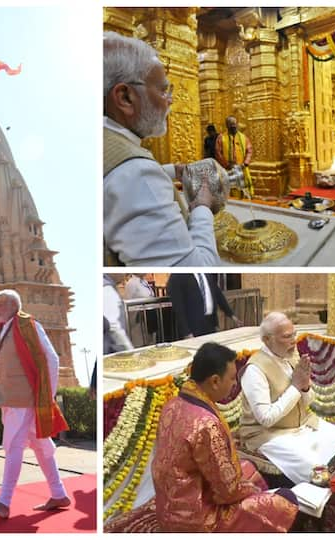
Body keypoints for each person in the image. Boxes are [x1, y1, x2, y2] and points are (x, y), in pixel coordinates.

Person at [152, 342, 298, 532]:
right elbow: (227, 492)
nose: (235, 384)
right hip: (198, 519)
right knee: (286, 499)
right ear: (214, 381)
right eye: (231, 378)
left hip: (169, 504)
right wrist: (252, 491)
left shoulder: (173, 404)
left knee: (248, 468)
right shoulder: (205, 424)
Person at [103, 31, 221, 266]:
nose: (169, 100)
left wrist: (171, 171)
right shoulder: (136, 173)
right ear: (125, 97)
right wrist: (201, 206)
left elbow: (116, 181)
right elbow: (197, 267)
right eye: (163, 90)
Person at [0, 290, 70, 519]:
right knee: (40, 445)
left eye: (0, 304)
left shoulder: (28, 326)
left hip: (25, 398)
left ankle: (4, 502)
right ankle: (58, 493)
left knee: (13, 444)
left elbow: (52, 358)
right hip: (9, 399)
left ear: (14, 305)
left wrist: (47, 394)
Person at [238, 312, 335, 484]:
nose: (294, 340)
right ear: (267, 340)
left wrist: (305, 386)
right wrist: (296, 387)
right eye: (286, 336)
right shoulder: (254, 370)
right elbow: (266, 419)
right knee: (317, 469)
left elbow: (309, 401)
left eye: (294, 334)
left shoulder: (291, 355)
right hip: (268, 435)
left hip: (302, 425)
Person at [167, 273, 242, 339]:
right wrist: (186, 332)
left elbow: (218, 294)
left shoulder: (206, 273)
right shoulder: (177, 276)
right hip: (193, 327)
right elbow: (178, 308)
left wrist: (231, 315)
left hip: (211, 323)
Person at [215, 115, 254, 197]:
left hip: (242, 169)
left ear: (237, 124)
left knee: (245, 194)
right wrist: (227, 165)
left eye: (234, 125)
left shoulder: (244, 137)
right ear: (227, 126)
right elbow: (218, 153)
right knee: (230, 193)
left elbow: (249, 151)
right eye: (231, 126)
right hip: (227, 170)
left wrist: (245, 163)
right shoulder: (221, 138)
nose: (233, 127)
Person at [124, 273, 158, 345]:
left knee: (151, 341)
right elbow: (128, 302)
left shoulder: (144, 282)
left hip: (150, 316)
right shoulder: (131, 283)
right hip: (138, 319)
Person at [103, 274, 133, 352]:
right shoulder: (106, 288)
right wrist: (129, 350)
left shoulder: (107, 285)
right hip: (111, 350)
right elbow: (114, 326)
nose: (124, 274)